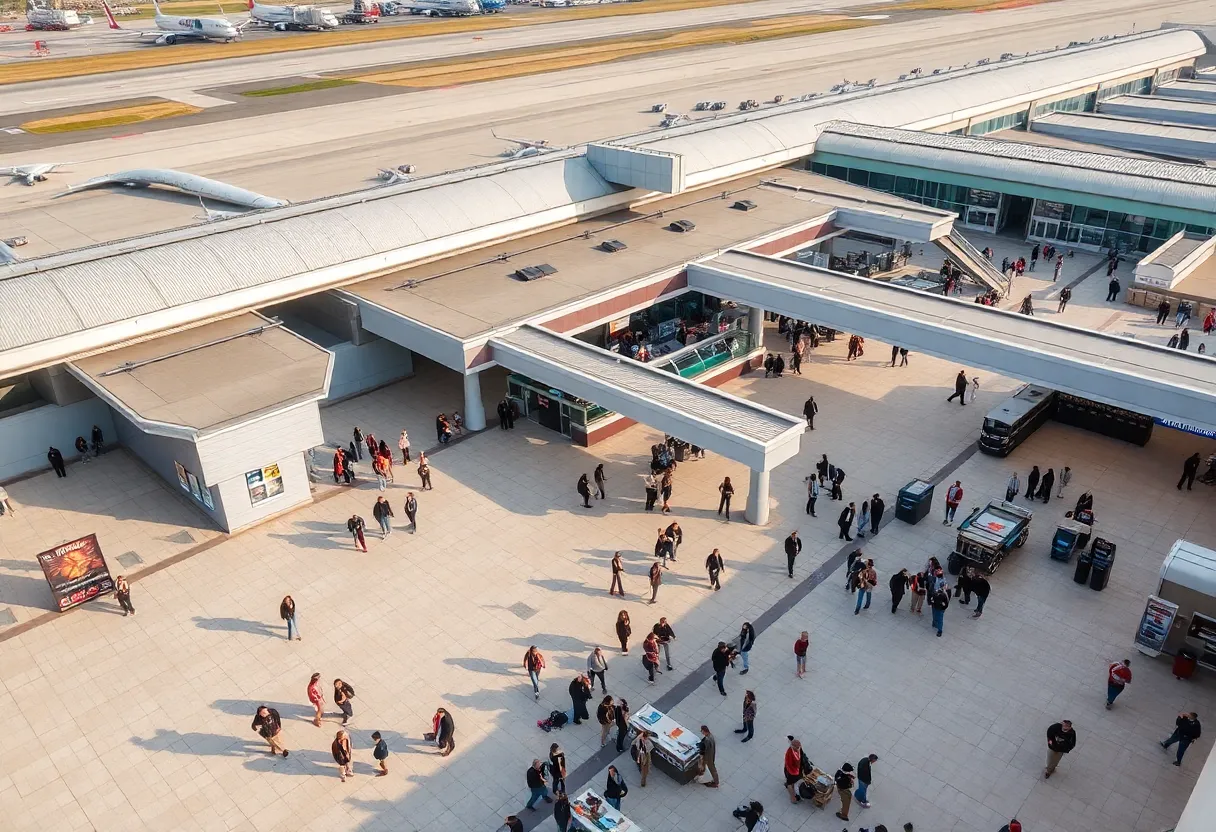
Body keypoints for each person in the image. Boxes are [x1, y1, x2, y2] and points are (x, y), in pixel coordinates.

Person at [783, 737, 811, 803]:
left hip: (792, 772)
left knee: (789, 784)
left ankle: (793, 799)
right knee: (794, 781)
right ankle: (795, 789)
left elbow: (789, 764)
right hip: (799, 771)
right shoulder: (799, 750)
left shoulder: (790, 753)